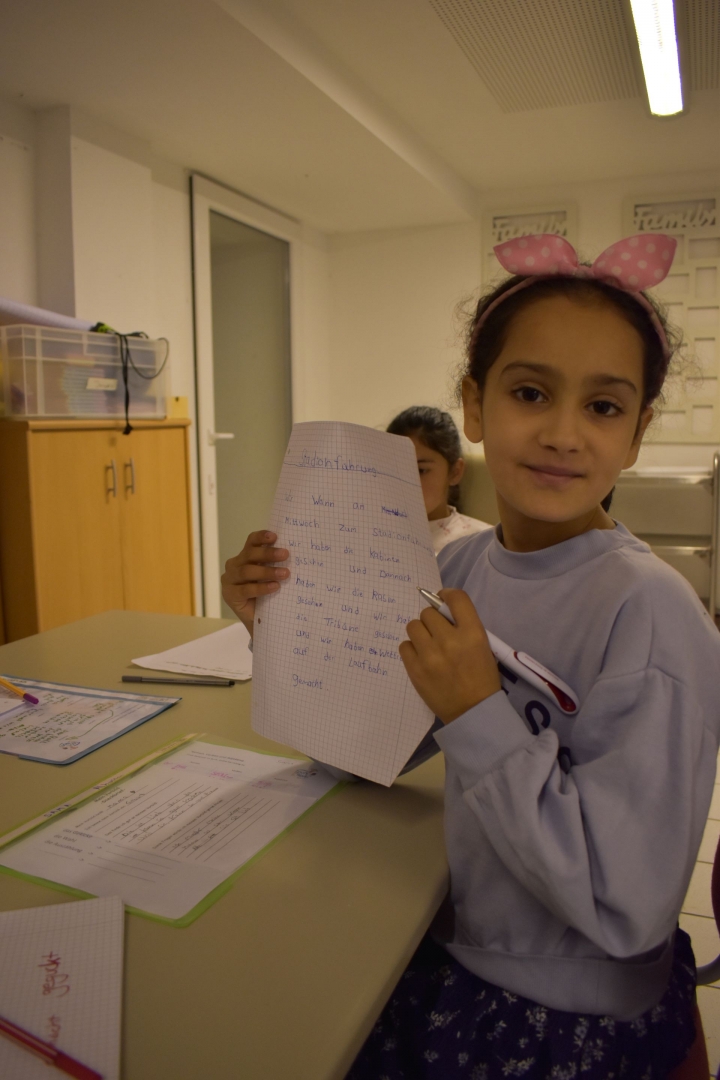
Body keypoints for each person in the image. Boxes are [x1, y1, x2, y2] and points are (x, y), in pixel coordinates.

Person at [221, 233, 720, 1078]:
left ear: (636, 434)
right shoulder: (457, 568)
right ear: (476, 406)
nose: (563, 433)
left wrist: (477, 711)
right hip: (461, 938)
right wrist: (276, 627)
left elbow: (625, 909)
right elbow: (370, 749)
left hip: (564, 1003)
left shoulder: (652, 615)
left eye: (603, 407)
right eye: (530, 392)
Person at [386, 405, 492, 554]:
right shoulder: (367, 531)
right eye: (395, 469)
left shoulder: (482, 543)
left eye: (420, 470)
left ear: (455, 472)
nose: (404, 482)